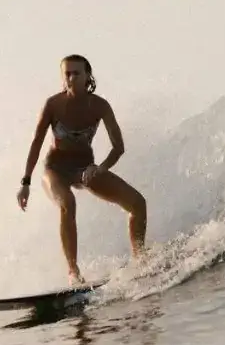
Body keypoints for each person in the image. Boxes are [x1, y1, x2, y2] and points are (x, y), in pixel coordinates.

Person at [17, 54, 147, 285]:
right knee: (68, 203)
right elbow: (36, 144)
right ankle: (73, 272)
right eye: (67, 73)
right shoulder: (53, 105)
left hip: (85, 169)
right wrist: (25, 183)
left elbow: (119, 147)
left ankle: (141, 261)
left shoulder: (99, 106)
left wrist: (100, 168)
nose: (71, 78)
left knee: (138, 204)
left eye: (76, 73)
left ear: (88, 76)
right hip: (55, 170)